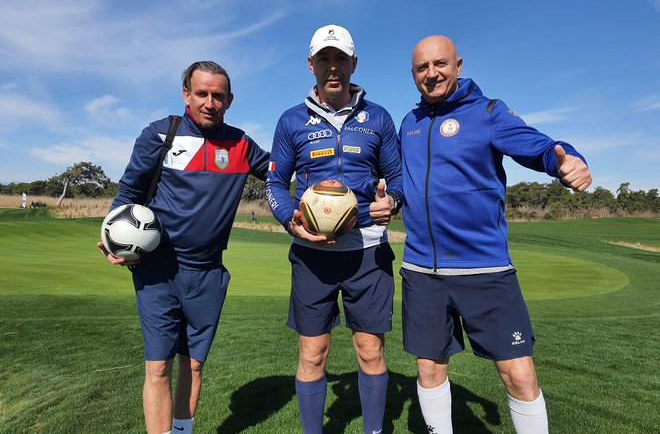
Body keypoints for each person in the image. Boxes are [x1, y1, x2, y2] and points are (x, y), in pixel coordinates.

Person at [399, 35, 592, 433]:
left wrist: (566, 159)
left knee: (518, 375)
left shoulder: (488, 112)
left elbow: (537, 146)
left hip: (485, 269)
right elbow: (402, 183)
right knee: (428, 368)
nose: (432, 74)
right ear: (414, 74)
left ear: (458, 65)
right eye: (422, 68)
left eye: (440, 64)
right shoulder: (410, 124)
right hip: (422, 271)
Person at [97, 61, 269, 434]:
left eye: (218, 96)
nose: (210, 102)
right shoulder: (161, 135)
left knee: (192, 365)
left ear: (229, 100)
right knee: (158, 366)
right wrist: (112, 234)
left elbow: (280, 169)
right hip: (157, 271)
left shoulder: (241, 144)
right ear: (186, 95)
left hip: (208, 273)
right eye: (202, 93)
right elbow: (128, 191)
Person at [265, 24, 403, 434]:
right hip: (312, 256)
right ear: (311, 65)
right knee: (312, 355)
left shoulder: (378, 117)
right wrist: (291, 219)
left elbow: (398, 178)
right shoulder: (292, 120)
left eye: (340, 58)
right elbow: (275, 182)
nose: (332, 68)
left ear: (353, 63)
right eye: (324, 59)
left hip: (369, 252)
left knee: (370, 350)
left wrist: (391, 202)